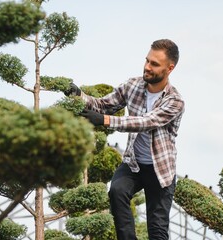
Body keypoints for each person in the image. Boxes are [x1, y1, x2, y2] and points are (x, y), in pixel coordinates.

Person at [65, 39, 185, 240]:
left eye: (154, 64)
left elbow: (145, 122)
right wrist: (79, 96)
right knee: (117, 192)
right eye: (147, 60)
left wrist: (104, 121)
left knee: (157, 230)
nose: (147, 67)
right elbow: (103, 104)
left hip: (160, 170)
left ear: (169, 68)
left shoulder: (175, 101)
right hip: (134, 163)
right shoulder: (133, 85)